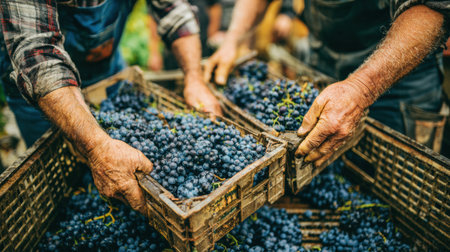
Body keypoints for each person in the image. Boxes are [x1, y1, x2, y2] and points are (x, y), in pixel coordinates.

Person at [0, 0, 222, 214]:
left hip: (106, 71)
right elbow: (39, 57)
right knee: (62, 183)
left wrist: (194, 78)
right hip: (44, 91)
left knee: (123, 162)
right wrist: (97, 148)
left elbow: (173, 9)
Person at [204, 0, 449, 167]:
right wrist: (232, 41)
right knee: (321, 161)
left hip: (400, 73)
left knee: (394, 189)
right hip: (324, 59)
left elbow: (430, 7)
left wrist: (361, 88)